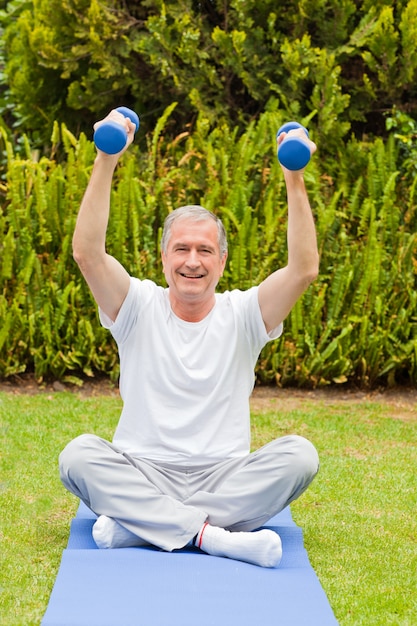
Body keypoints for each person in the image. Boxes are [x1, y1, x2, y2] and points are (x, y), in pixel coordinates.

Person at [59, 109, 320, 569]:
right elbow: (87, 253)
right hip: (143, 469)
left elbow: (303, 270)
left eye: (204, 250)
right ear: (163, 258)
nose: (192, 261)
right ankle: (211, 536)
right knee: (77, 455)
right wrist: (105, 158)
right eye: (181, 248)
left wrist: (293, 177)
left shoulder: (244, 314)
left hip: (223, 476)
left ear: (221, 260)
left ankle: (142, 528)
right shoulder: (136, 305)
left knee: (300, 456)